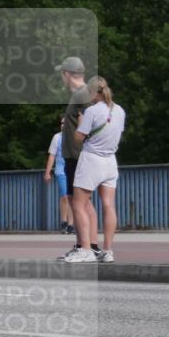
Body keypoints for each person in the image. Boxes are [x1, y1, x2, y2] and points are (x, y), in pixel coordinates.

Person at [65, 76, 126, 264]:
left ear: (93, 92)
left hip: (92, 159)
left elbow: (78, 137)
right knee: (108, 205)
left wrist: (82, 124)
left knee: (78, 204)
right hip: (110, 161)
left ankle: (85, 249)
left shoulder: (91, 111)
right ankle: (108, 251)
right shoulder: (120, 110)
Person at [55, 57, 92, 259]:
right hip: (74, 156)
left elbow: (87, 124)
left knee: (80, 203)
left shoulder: (82, 94)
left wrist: (81, 146)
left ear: (67, 74)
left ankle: (86, 247)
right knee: (81, 202)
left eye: (62, 73)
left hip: (77, 156)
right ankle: (87, 246)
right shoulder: (81, 94)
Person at [45, 116, 75, 234]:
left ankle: (71, 224)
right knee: (64, 195)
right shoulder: (57, 138)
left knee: (72, 197)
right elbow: (52, 155)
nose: (63, 125)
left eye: (65, 123)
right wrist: (47, 172)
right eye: (61, 123)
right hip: (61, 170)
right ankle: (64, 222)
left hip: (73, 170)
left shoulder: (75, 137)